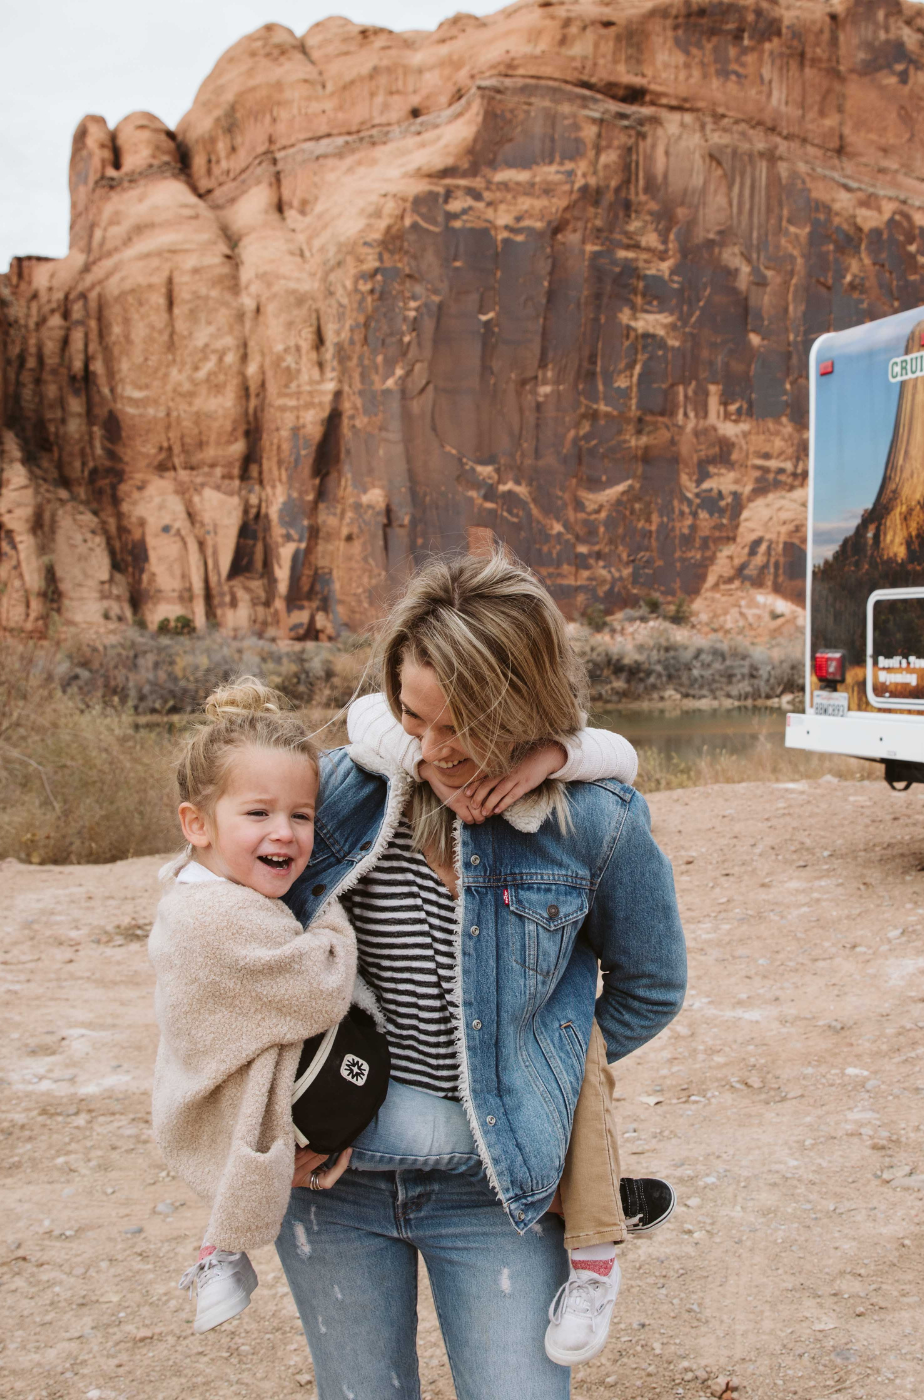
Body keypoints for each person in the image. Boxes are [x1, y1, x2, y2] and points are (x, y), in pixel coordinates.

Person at [277, 549, 687, 1399]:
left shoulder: (593, 824)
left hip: (496, 1191)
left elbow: (652, 985)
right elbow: (228, 940)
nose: (432, 751)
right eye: (411, 717)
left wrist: (543, 1068)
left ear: (524, 707)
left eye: (460, 724)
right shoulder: (335, 797)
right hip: (330, 1186)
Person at [147, 679, 367, 1333]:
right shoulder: (221, 914)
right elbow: (317, 990)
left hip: (201, 1075)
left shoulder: (198, 885)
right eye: (259, 814)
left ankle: (223, 1246)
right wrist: (328, 918)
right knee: (252, 1127)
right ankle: (223, 1248)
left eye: (302, 816)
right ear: (197, 823)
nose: (286, 832)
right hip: (211, 1094)